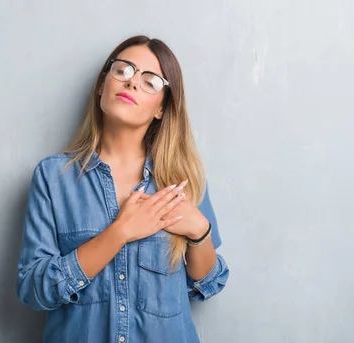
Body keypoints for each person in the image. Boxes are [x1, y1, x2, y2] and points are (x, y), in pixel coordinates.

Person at [16, 35, 229, 343]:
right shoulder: (53, 177)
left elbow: (208, 283)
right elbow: (34, 289)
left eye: (150, 81)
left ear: (161, 108)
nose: (131, 84)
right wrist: (120, 232)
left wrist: (199, 230)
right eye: (123, 71)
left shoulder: (181, 180)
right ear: (102, 85)